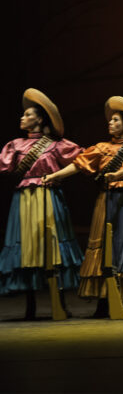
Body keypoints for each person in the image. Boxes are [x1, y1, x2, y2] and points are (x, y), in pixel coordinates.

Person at [49, 96, 123, 316]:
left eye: (116, 120)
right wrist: (54, 175)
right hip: (106, 200)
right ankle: (103, 301)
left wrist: (121, 175)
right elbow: (78, 165)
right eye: (111, 120)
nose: (110, 123)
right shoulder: (101, 148)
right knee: (105, 247)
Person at [0, 89, 82, 319]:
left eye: (27, 115)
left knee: (53, 245)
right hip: (24, 200)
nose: (22, 118)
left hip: (48, 196)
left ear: (40, 119)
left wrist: (57, 176)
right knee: (27, 247)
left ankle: (61, 301)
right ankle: (30, 305)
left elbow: (81, 161)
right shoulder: (14, 145)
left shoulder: (55, 145)